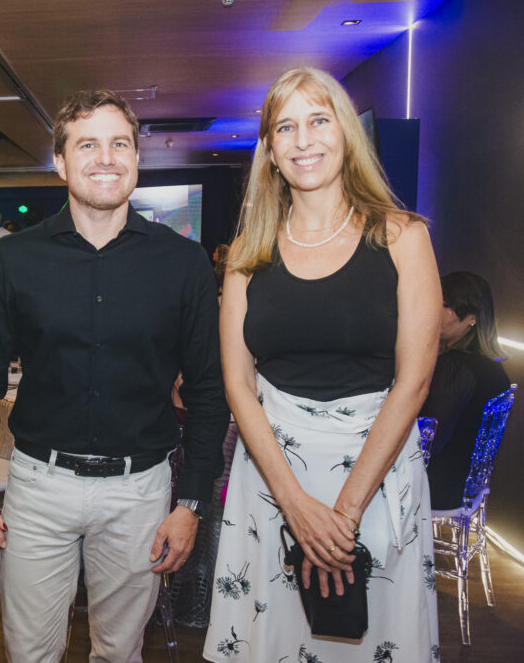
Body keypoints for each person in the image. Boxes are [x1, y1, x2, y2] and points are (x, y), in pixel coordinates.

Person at [0, 90, 229, 662]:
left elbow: (207, 391)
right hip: (38, 489)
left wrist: (192, 503)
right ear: (61, 161)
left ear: (136, 157)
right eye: (88, 144)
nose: (106, 157)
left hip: (140, 492)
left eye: (119, 143)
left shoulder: (183, 263)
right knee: (29, 655)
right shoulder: (16, 259)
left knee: (119, 654)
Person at [205, 67, 441, 661]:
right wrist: (295, 505)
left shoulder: (402, 237)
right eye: (285, 127)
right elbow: (238, 385)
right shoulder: (245, 256)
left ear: (346, 133)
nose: (303, 139)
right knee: (274, 640)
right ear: (269, 150)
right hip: (272, 480)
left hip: (375, 474)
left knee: (372, 642)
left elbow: (413, 383)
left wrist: (344, 512)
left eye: (318, 120)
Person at [421, 271, 510, 511]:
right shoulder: (493, 368)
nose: (435, 310)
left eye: (447, 305)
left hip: (438, 487)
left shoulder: (454, 367)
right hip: (466, 484)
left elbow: (431, 440)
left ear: (471, 318)